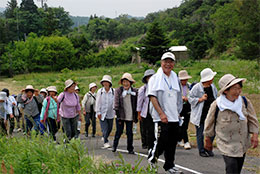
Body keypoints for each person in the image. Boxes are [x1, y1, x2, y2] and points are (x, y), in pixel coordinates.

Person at [204, 74, 259, 174]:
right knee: (231, 168)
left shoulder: (244, 102)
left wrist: (255, 135)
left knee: (237, 169)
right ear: (226, 91)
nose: (238, 91)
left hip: (242, 144)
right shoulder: (217, 105)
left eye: (239, 88)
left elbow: (253, 119)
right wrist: (208, 139)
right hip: (226, 144)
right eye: (234, 89)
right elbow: (209, 123)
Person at [147, 52, 183, 174]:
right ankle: (152, 159)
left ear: (173, 64)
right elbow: (152, 97)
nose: (168, 64)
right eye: (165, 61)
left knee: (172, 142)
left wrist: (178, 112)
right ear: (161, 62)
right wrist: (161, 114)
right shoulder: (155, 78)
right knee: (161, 141)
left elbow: (178, 97)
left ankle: (169, 165)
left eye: (171, 62)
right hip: (160, 116)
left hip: (174, 116)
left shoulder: (175, 77)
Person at [188, 68, 218, 157]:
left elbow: (216, 97)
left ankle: (208, 148)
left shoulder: (213, 86)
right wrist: (200, 99)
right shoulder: (197, 87)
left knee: (212, 132)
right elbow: (190, 98)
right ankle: (201, 150)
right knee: (200, 133)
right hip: (200, 114)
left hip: (210, 114)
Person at [112, 73, 138, 154]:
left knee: (129, 133)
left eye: (127, 82)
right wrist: (118, 116)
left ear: (130, 83)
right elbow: (116, 104)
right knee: (119, 132)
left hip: (130, 115)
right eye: (124, 82)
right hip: (121, 115)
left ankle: (130, 148)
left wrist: (136, 116)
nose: (125, 83)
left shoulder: (135, 91)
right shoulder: (118, 91)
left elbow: (137, 104)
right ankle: (114, 146)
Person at [137, 69, 155, 150]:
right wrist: (139, 113)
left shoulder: (158, 87)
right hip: (146, 111)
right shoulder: (143, 89)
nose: (150, 79)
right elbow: (139, 102)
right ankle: (149, 145)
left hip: (156, 110)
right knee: (148, 129)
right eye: (149, 77)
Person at [96, 75, 115, 148]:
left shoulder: (113, 91)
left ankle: (105, 136)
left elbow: (115, 102)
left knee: (110, 128)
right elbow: (98, 102)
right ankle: (106, 141)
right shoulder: (100, 91)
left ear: (110, 83)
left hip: (110, 112)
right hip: (102, 112)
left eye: (107, 82)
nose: (105, 84)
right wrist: (98, 112)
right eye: (104, 82)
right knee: (105, 128)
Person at [177, 70, 192, 150]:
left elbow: (192, 95)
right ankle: (186, 141)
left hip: (187, 106)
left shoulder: (189, 86)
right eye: (183, 79)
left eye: (185, 79)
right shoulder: (177, 86)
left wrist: (188, 98)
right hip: (179, 107)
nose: (184, 81)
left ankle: (179, 139)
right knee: (181, 124)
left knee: (185, 124)